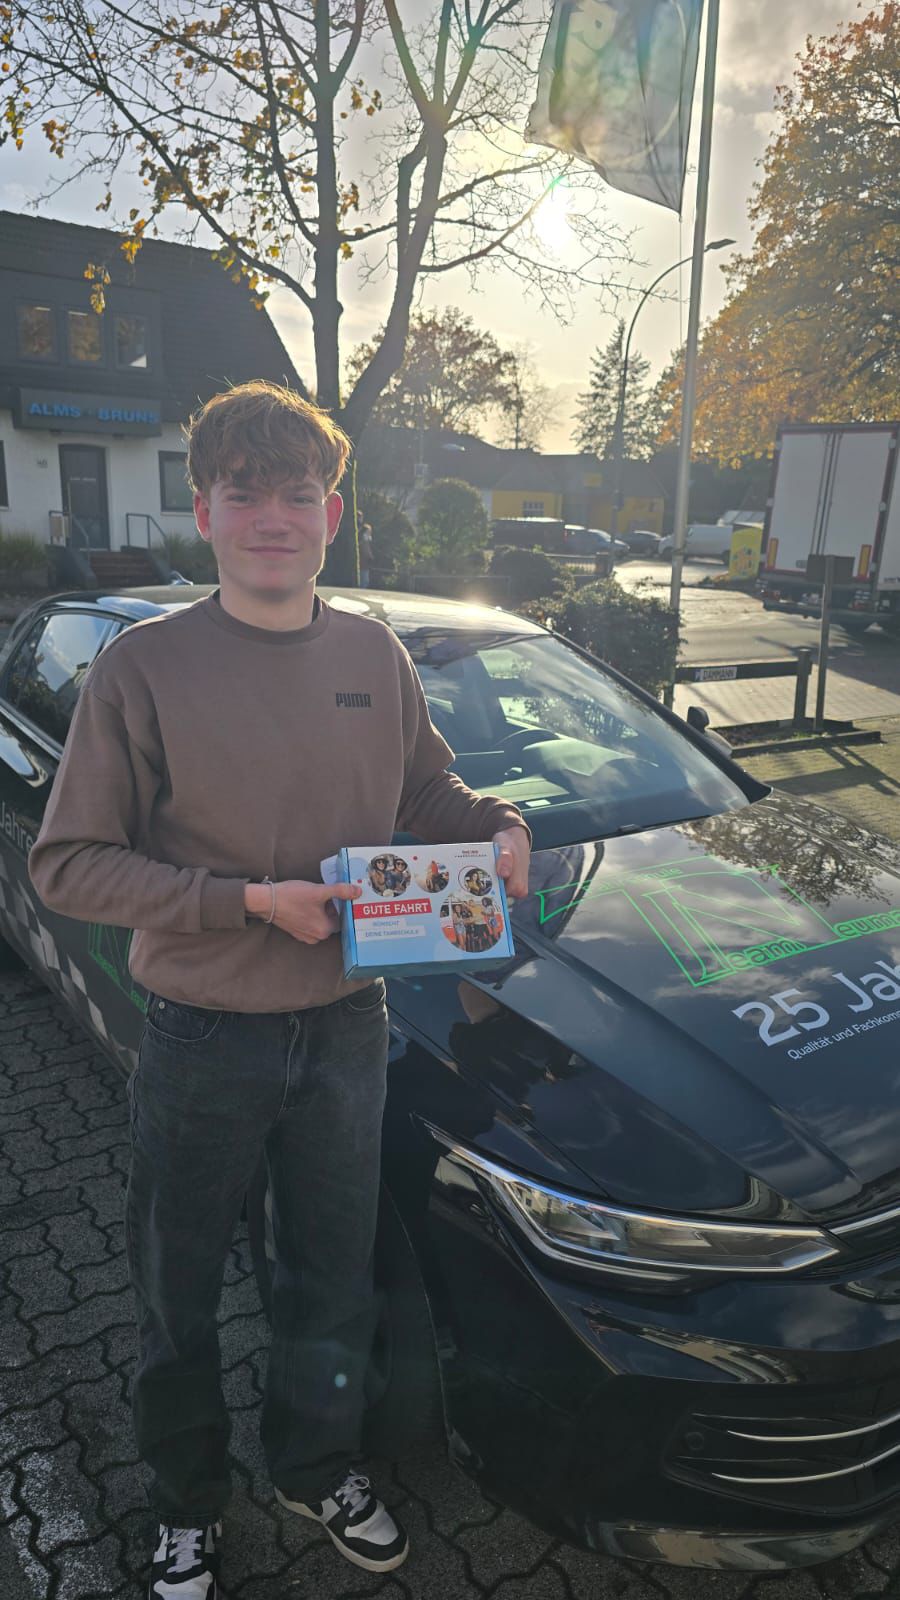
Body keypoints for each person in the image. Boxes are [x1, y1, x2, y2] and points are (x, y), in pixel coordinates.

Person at [27, 380, 531, 1600]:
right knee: (177, 1290)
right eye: (242, 492)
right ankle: (185, 1504)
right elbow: (68, 864)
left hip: (350, 1028)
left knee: (328, 1279)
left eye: (296, 494)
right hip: (202, 1039)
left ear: (331, 514)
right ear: (203, 510)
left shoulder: (372, 652)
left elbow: (426, 794)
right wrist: (248, 901)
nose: (271, 516)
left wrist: (499, 821)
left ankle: (314, 1464)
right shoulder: (142, 668)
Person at [357, 520, 374, 588]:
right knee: (364, 580)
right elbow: (366, 551)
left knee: (365, 580)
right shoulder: (363, 541)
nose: (370, 533)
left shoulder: (365, 541)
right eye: (368, 532)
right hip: (363, 563)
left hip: (365, 564)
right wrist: (370, 556)